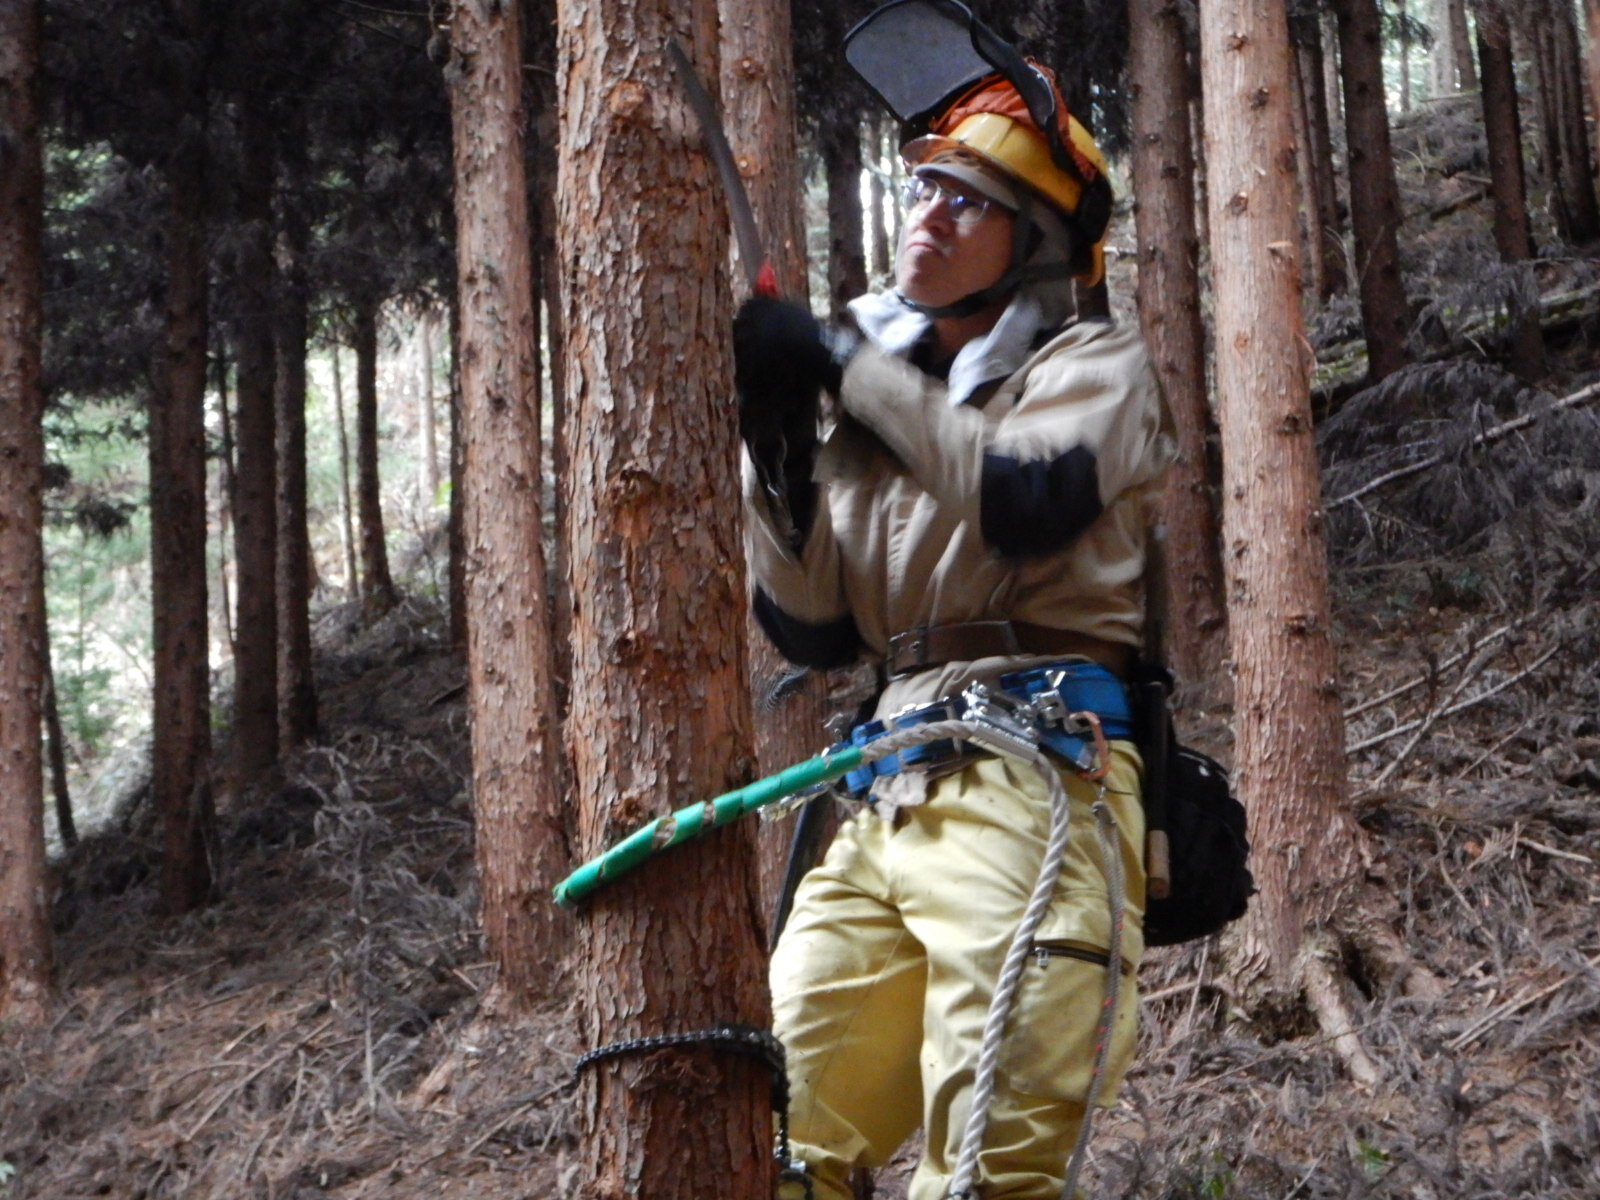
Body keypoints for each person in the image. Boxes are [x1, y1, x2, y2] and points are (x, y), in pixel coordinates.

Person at [732, 19, 1175, 1199]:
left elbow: (1025, 500)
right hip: (885, 790)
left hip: (1039, 774)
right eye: (923, 187)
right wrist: (778, 460)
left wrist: (840, 364)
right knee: (769, 1150)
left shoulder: (1095, 369)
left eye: (968, 201)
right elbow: (813, 630)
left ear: (1033, 244)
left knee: (988, 1170)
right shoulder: (883, 411)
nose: (927, 216)